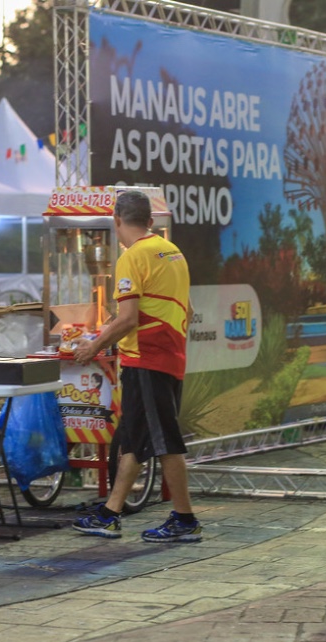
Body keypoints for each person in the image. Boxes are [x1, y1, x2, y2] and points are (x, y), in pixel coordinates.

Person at [71, 190, 200, 543]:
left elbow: (128, 319)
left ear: (116, 221)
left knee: (165, 440)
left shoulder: (132, 257)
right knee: (134, 439)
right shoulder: (172, 252)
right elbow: (184, 309)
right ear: (151, 220)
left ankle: (185, 519)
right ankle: (111, 513)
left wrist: (95, 344)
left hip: (147, 359)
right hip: (168, 355)